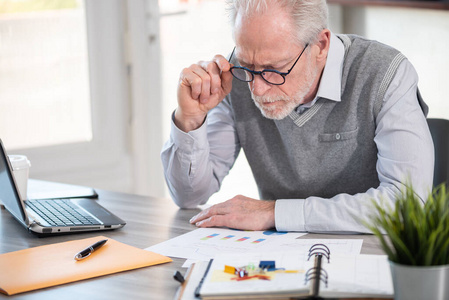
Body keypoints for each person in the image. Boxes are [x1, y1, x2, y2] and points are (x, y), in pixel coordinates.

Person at [161, 0, 434, 233]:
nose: (257, 88)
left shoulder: (385, 74)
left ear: (321, 45)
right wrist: (190, 119)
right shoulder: (238, 77)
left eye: (274, 69)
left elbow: (407, 204)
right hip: (280, 258)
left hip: (371, 256)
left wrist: (275, 213)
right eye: (248, 66)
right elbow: (189, 196)